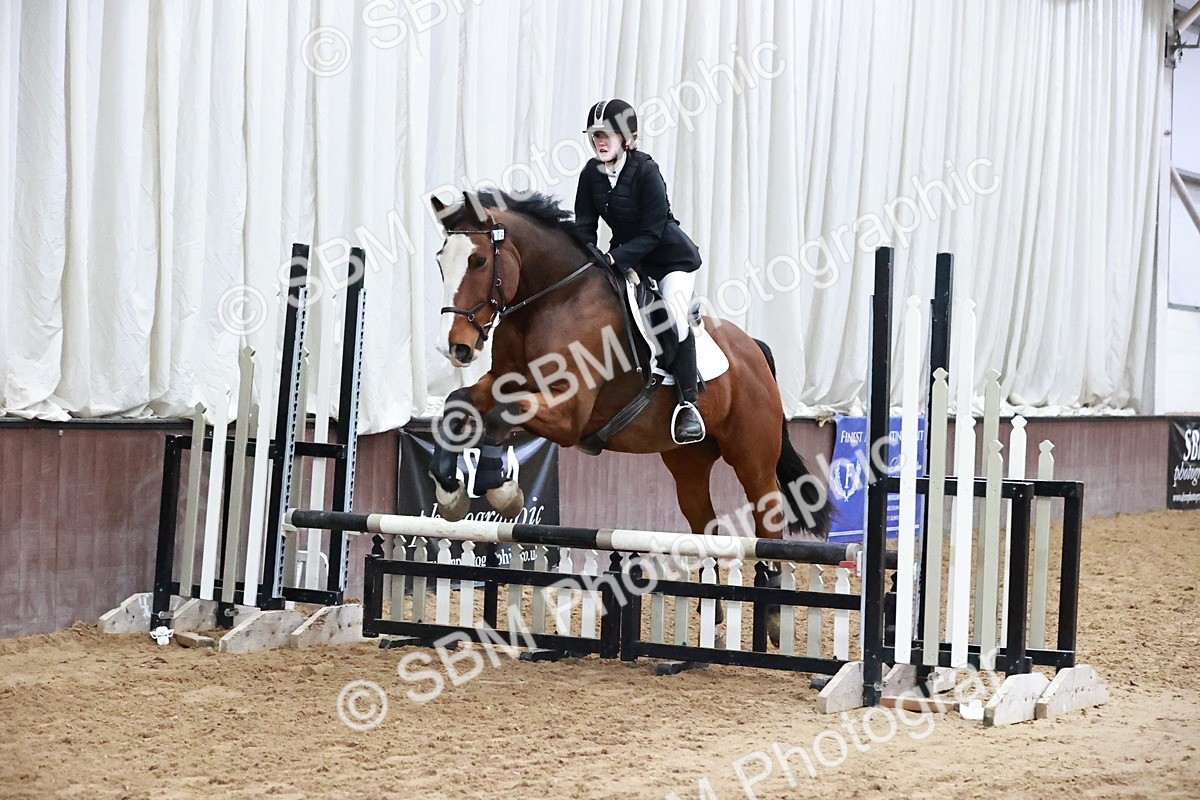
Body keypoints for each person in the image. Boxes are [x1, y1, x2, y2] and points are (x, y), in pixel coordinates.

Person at [573, 98, 706, 445]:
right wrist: (582, 260)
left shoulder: (646, 171)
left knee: (673, 319)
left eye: (607, 134)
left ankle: (688, 405)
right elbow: (584, 227)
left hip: (670, 261)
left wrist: (615, 258)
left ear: (627, 137)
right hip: (629, 259)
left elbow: (653, 231)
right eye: (595, 135)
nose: (600, 141)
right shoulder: (591, 174)